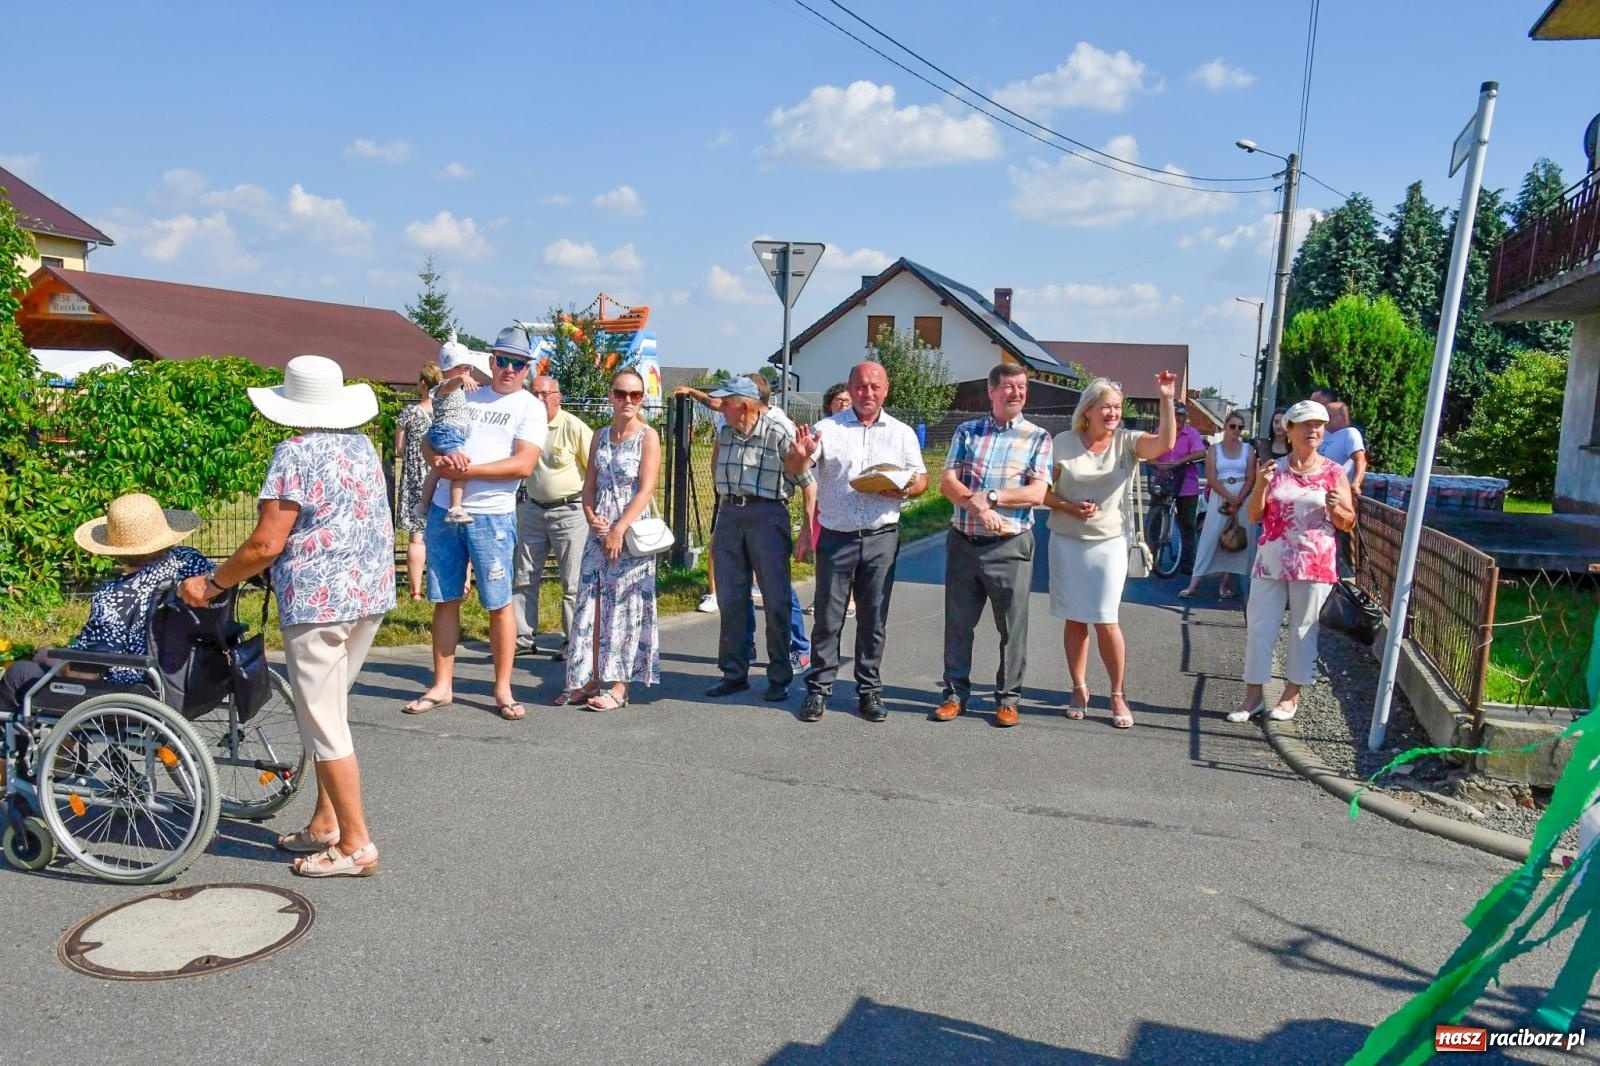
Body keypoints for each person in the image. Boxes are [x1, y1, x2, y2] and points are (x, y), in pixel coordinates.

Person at [181, 354, 395, 877]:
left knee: (325, 725)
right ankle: (326, 822)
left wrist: (211, 584)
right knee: (330, 714)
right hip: (367, 595)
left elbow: (265, 542)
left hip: (319, 602)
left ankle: (355, 846)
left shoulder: (293, 453)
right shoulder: (362, 445)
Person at [405, 325, 547, 722]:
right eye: (502, 360)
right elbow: (431, 439)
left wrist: (465, 472)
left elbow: (523, 463)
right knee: (445, 597)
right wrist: (440, 462)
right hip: (442, 512)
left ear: (527, 369)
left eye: (517, 364)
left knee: (498, 602)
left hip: (491, 514)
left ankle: (502, 688)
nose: (508, 369)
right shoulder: (467, 394)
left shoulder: (529, 407)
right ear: (491, 361)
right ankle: (442, 685)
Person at [786, 361, 928, 722]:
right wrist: (799, 456)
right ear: (851, 389)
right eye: (861, 387)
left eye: (875, 387)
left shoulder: (901, 433)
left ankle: (869, 691)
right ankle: (818, 690)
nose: (868, 393)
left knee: (873, 618)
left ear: (886, 390)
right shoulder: (827, 429)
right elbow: (795, 466)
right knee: (829, 618)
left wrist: (906, 487)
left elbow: (922, 479)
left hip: (881, 536)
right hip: (837, 536)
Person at [1041, 374, 1178, 729]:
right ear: (1088, 410)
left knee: (1105, 618)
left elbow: (1165, 443)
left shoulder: (1127, 442)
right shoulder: (1063, 442)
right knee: (1075, 617)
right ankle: (1079, 688)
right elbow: (1040, 490)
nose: (1114, 413)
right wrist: (1069, 506)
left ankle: (1117, 694)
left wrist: (1166, 399)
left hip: (1109, 543)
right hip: (1067, 540)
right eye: (1107, 407)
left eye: (1118, 407)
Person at [1, 494, 213, 714]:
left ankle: (53, 743)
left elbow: (83, 670)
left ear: (115, 550)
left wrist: (47, 655)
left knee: (20, 673)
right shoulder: (192, 563)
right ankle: (67, 742)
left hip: (136, 691)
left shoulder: (115, 597)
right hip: (196, 677)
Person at [932, 363, 1052, 728]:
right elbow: (948, 482)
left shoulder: (1037, 437)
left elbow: (1038, 492)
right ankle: (954, 694)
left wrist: (993, 497)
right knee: (958, 624)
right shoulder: (968, 431)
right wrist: (976, 506)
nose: (1016, 393)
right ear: (992, 391)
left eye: (1022, 387)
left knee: (1012, 628)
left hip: (1010, 546)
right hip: (964, 543)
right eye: (1009, 387)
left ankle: (1008, 699)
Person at [1231, 399, 1357, 724]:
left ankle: (1290, 696)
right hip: (1271, 560)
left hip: (1314, 563)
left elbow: (1348, 522)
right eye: (1305, 425)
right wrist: (1260, 484)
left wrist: (1335, 508)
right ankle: (1253, 696)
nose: (1313, 430)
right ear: (1289, 431)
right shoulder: (1273, 469)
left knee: (1304, 629)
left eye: (1318, 425)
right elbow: (1255, 514)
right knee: (1259, 627)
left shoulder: (1333, 471)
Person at [704, 375, 814, 702]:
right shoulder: (725, 433)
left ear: (746, 405)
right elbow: (716, 475)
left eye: (726, 403)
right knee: (731, 597)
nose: (720, 408)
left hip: (767, 516)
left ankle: (779, 676)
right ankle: (734, 673)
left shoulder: (777, 433)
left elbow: (807, 481)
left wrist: (807, 531)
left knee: (775, 598)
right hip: (730, 516)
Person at [557, 368, 661, 710]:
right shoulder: (600, 435)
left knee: (625, 606)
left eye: (635, 395)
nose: (627, 401)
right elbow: (589, 485)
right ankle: (585, 679)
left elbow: (646, 490)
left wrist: (618, 529)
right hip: (598, 531)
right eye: (620, 393)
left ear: (642, 398)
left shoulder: (648, 437)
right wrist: (590, 516)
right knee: (590, 603)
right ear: (610, 396)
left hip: (630, 533)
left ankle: (619, 685)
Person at [511, 374, 593, 660]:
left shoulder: (573, 427)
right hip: (532, 508)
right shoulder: (524, 426)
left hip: (569, 510)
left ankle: (573, 640)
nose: (540, 399)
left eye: (546, 393)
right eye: (535, 393)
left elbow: (593, 468)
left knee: (572, 581)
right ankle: (522, 637)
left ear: (558, 396)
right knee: (523, 576)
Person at [1180, 412, 1257, 600]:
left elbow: (1251, 477)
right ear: (1225, 426)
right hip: (1220, 497)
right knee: (1210, 538)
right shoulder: (1215, 449)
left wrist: (1239, 499)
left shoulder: (1248, 450)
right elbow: (1212, 479)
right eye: (1233, 426)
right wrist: (1230, 498)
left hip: (1242, 497)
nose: (1236, 431)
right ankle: (1193, 584)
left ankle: (1224, 585)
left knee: (1237, 538)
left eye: (1240, 427)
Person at [417, 333, 490, 525]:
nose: (465, 372)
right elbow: (450, 385)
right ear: (448, 369)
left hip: (445, 432)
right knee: (461, 467)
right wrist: (461, 379)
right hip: (448, 433)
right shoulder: (445, 386)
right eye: (460, 368)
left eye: (467, 369)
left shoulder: (456, 388)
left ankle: (423, 504)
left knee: (437, 469)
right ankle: (455, 507)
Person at [804, 382, 857, 620]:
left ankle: (851, 597)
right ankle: (821, 596)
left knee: (852, 551)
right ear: (829, 404)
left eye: (847, 401)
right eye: (839, 401)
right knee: (821, 551)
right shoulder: (821, 429)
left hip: (851, 501)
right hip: (822, 498)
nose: (844, 404)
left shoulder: (857, 431)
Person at [394, 362, 440, 601]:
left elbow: (399, 449)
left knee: (417, 537)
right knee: (447, 536)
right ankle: (458, 586)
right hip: (442, 476)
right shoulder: (445, 413)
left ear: (423, 383)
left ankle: (416, 591)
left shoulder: (410, 413)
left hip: (415, 478)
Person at [1149, 401, 1206, 577]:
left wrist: (1178, 462)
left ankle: (1187, 563)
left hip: (1187, 485)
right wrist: (1160, 467)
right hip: (1163, 482)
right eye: (1174, 415)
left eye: (1181, 415)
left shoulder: (1192, 433)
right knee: (1154, 521)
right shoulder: (1159, 432)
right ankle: (1151, 558)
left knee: (1187, 524)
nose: (1178, 418)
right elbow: (1148, 455)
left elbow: (1201, 452)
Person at [1319, 400, 1368, 495]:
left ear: (1342, 417)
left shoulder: (1350, 433)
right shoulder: (1324, 433)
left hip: (1336, 492)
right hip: (1316, 487)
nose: (1324, 420)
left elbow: (1360, 460)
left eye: (1328, 416)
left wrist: (1356, 483)